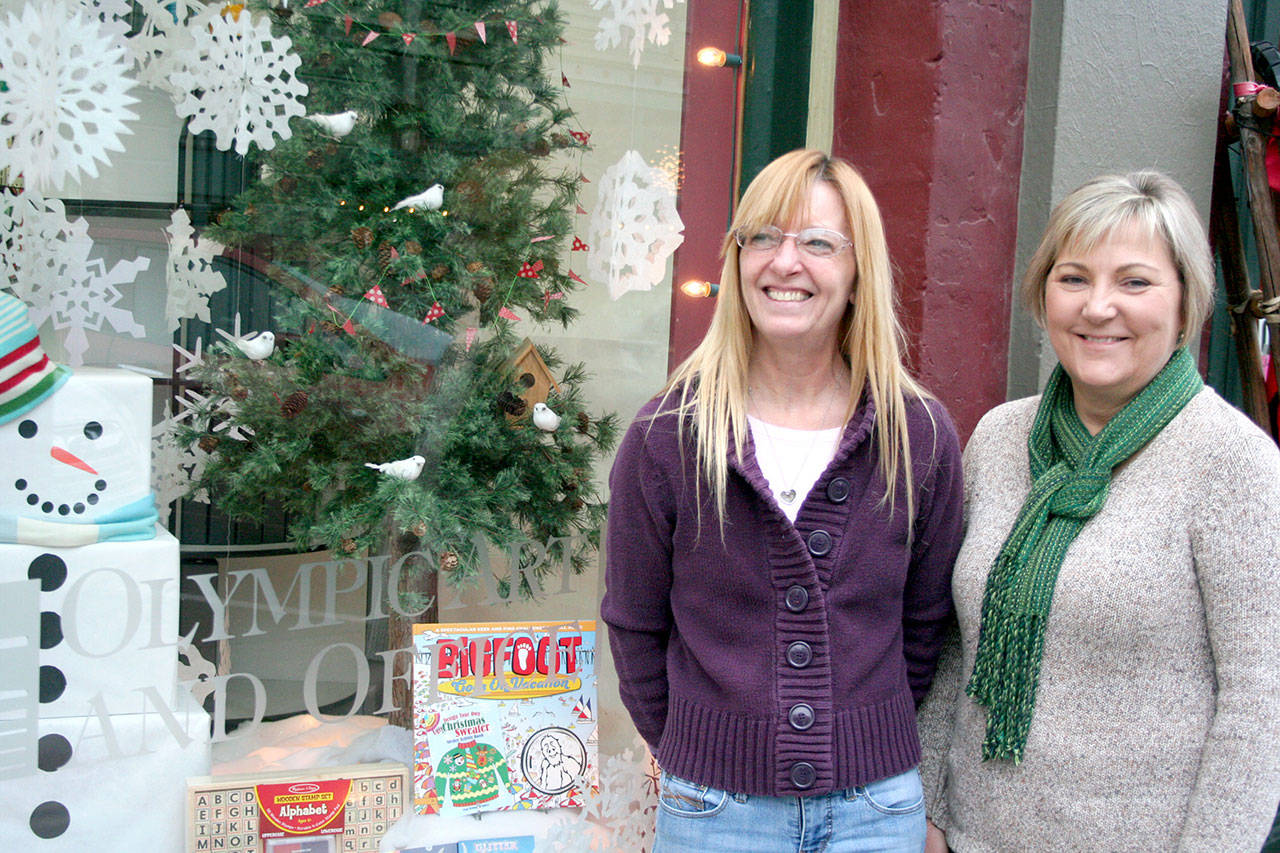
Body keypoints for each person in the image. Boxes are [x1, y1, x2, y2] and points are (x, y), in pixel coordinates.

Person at [601, 149, 964, 852]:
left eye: (818, 243)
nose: (784, 262)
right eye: (762, 237)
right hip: (714, 812)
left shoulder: (916, 435)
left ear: (859, 273)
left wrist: (864, 736)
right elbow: (634, 626)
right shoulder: (668, 436)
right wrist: (693, 749)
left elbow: (927, 623)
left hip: (877, 811)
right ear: (737, 262)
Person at [917, 170, 1280, 852]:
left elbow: (1262, 708)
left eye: (1135, 282)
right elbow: (953, 648)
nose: (1098, 306)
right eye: (1075, 277)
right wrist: (931, 808)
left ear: (1184, 303)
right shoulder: (999, 438)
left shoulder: (1233, 463)